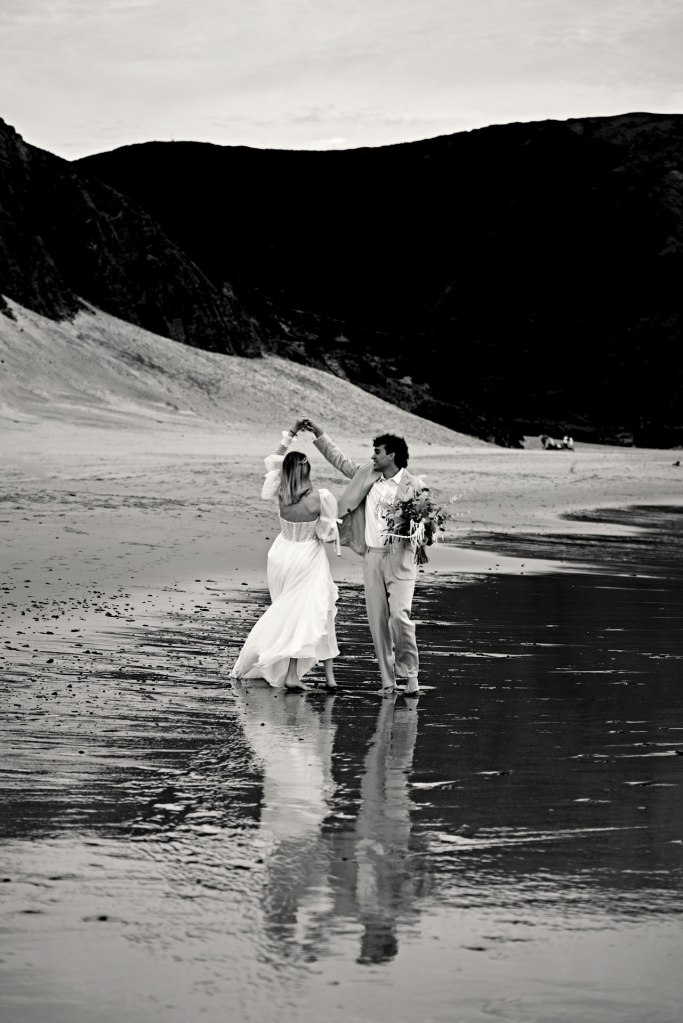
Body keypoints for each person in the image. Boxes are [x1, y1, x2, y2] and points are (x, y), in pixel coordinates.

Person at [303, 419, 423, 696]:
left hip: (401, 559)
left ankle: (411, 675)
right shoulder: (366, 474)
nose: (373, 456)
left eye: (378, 452)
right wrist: (320, 435)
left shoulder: (414, 485)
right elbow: (340, 460)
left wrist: (417, 527)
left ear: (391, 455)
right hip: (371, 557)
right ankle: (388, 682)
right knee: (377, 620)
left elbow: (426, 529)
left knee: (399, 617)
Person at [230, 419, 341, 691]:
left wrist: (290, 434)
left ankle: (323, 677)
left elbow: (273, 459)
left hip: (281, 555)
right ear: (308, 471)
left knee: (292, 613)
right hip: (307, 558)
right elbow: (326, 535)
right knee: (315, 613)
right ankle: (305, 676)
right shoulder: (320, 497)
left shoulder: (280, 489)